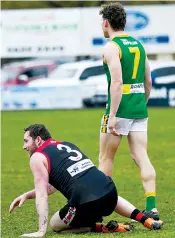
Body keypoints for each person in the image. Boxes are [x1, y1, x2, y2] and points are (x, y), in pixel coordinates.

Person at [9, 124, 163, 237]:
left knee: (55, 224)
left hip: (85, 203)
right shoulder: (66, 144)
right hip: (109, 191)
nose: (24, 147)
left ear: (38, 140)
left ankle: (103, 227)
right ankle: (147, 221)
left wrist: (40, 231)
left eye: (26, 141)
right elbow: (52, 187)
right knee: (103, 189)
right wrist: (27, 195)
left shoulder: (37, 157)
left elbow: (42, 194)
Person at [98, 2, 159, 220]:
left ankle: (102, 208)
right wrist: (142, 103)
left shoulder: (111, 47)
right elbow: (148, 80)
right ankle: (152, 206)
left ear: (106, 22)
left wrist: (112, 116)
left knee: (106, 158)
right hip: (138, 108)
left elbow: (117, 82)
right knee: (141, 156)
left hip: (118, 108)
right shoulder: (139, 45)